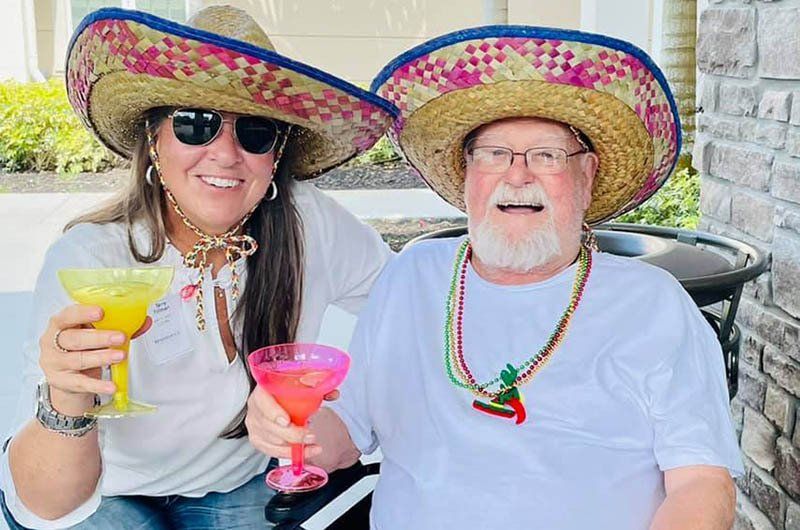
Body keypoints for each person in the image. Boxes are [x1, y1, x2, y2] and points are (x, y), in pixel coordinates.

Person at [264, 27, 743, 529]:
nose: (517, 176)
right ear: (466, 174)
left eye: (546, 155)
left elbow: (702, 483)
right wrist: (289, 426)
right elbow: (342, 437)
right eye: (493, 153)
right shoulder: (410, 277)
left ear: (587, 175)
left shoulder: (652, 304)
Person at [0, 6, 396, 530]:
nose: (226, 154)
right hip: (113, 489)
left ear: (275, 155)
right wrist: (67, 398)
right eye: (196, 125)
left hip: (239, 482)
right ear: (155, 142)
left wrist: (348, 412)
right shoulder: (92, 257)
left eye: (255, 132)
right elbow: (51, 503)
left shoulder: (307, 222)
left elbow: (409, 303)